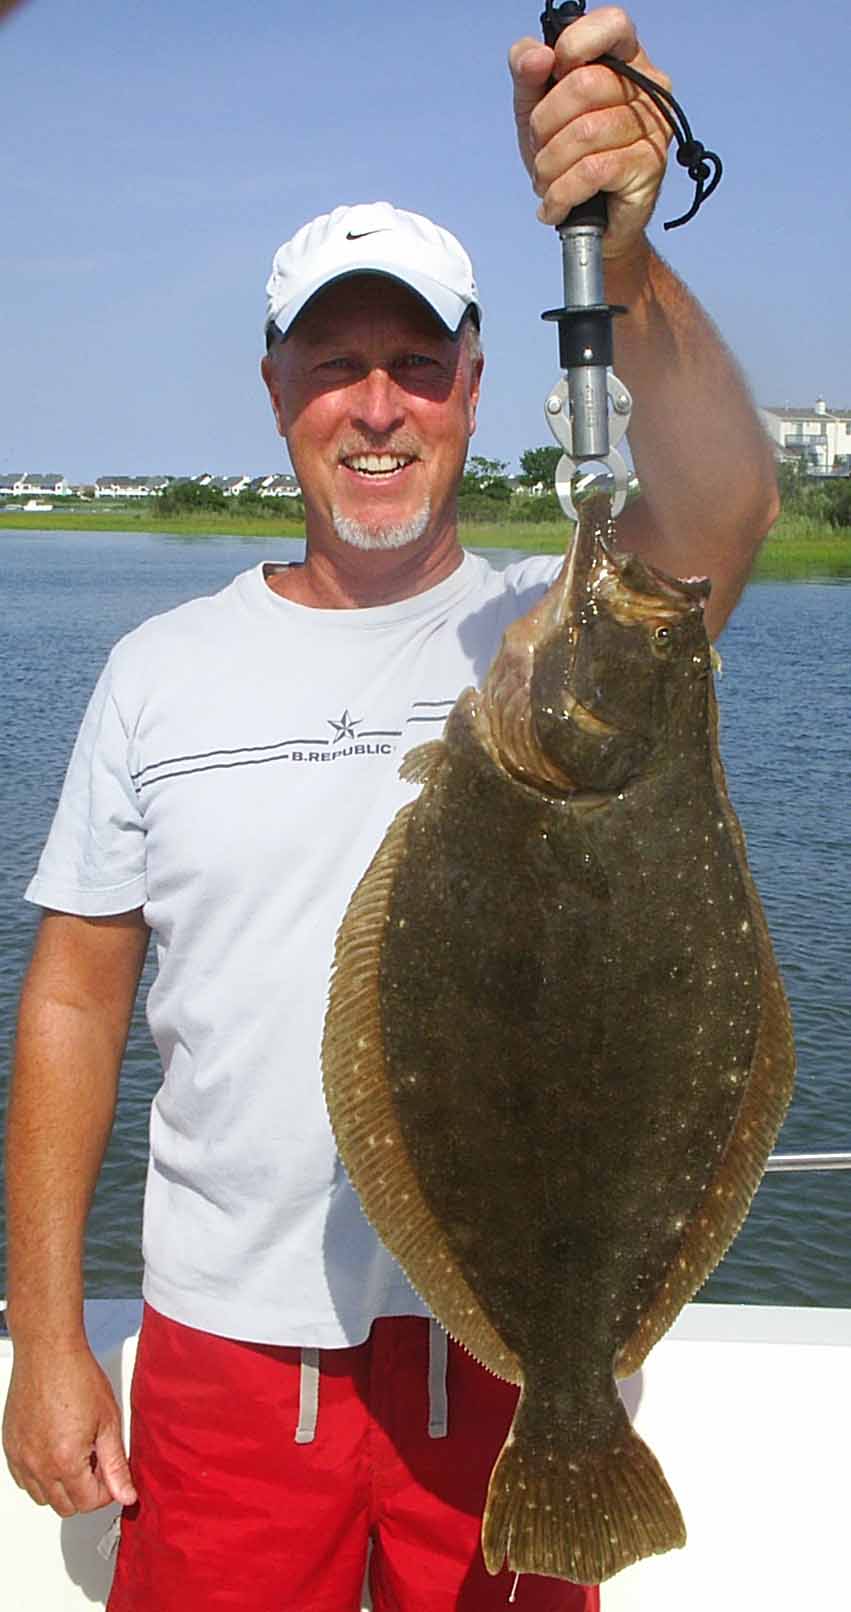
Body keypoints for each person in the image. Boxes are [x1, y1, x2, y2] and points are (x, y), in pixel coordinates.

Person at [2, 11, 778, 1610]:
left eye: (419, 365)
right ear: (275, 385)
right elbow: (77, 1000)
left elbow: (722, 506)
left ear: (478, 385)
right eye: (335, 365)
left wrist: (625, 264)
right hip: (223, 1353)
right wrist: (48, 1333)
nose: (378, 406)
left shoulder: (549, 628)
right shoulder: (159, 670)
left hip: (501, 1360)